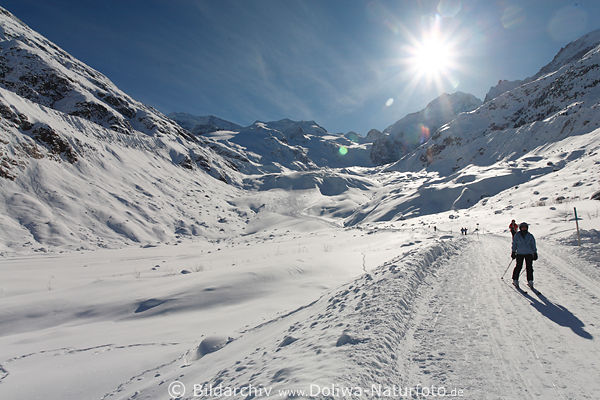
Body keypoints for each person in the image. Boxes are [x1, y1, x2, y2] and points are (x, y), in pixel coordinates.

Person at [511, 222, 538, 289]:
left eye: (525, 227)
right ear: (520, 228)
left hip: (528, 254)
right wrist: (513, 252)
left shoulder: (530, 236)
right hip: (520, 253)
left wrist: (535, 253)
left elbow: (533, 245)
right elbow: (514, 244)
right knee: (518, 266)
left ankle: (530, 280)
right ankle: (515, 279)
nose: (524, 228)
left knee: (529, 268)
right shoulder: (517, 235)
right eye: (522, 227)